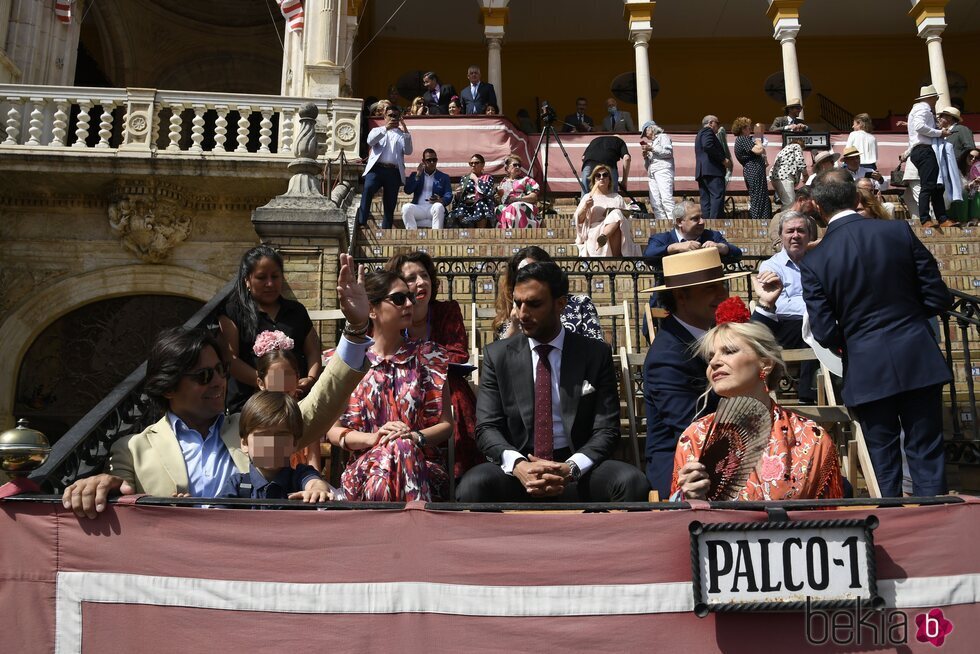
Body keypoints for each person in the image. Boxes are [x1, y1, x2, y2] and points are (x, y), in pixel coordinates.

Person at [61, 254, 372, 518]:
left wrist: (356, 330)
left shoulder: (252, 426)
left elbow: (319, 405)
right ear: (168, 386)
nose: (220, 382)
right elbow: (120, 492)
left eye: (221, 370)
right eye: (203, 376)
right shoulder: (132, 449)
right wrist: (101, 483)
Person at [800, 169, 953, 497]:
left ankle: (891, 536)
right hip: (916, 353)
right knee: (926, 452)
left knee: (881, 462)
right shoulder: (898, 231)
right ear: (857, 198)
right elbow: (938, 296)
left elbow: (825, 332)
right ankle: (940, 531)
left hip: (867, 364)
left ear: (817, 207)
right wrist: (909, 320)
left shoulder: (816, 260)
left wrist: (858, 340)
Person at [456, 261, 650, 502]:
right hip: (519, 470)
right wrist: (518, 465)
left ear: (560, 304)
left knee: (631, 483)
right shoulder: (498, 356)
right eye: (518, 303)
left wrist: (570, 468)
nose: (522, 314)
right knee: (471, 487)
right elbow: (486, 428)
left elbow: (607, 429)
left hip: (576, 469)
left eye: (534, 304)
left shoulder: (594, 354)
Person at [642, 248, 783, 498]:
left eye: (722, 286)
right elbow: (694, 427)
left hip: (743, 443)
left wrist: (764, 307)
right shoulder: (667, 356)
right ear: (681, 296)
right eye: (711, 288)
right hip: (691, 462)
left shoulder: (712, 331)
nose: (723, 294)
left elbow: (752, 350)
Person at [671, 315, 844, 501]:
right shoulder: (695, 437)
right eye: (711, 356)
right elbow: (682, 522)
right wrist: (688, 497)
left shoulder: (810, 436)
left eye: (729, 351)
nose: (714, 363)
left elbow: (828, 519)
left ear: (766, 363)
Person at [325, 270, 454, 501]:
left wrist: (414, 438)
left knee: (402, 447)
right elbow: (333, 431)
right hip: (365, 468)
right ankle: (414, 528)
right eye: (398, 299)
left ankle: (378, 532)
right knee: (394, 452)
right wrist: (374, 439)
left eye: (410, 298)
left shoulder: (429, 357)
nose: (408, 303)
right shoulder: (349, 361)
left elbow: (446, 425)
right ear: (371, 309)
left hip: (422, 467)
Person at [384, 251, 480, 478]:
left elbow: (458, 353)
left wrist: (416, 360)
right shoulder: (389, 316)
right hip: (401, 384)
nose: (420, 283)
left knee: (454, 395)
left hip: (444, 382)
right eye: (411, 278)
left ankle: (460, 474)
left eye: (424, 276)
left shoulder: (447, 311)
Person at [218, 245, 322, 413]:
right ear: (247, 280)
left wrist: (311, 378)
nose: (269, 283)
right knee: (265, 440)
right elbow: (231, 359)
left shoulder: (297, 311)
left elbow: (313, 351)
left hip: (295, 403)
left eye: (275, 276)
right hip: (250, 406)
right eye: (261, 277)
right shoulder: (233, 313)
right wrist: (268, 384)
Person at [220, 391, 333, 502]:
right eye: (262, 436)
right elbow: (216, 516)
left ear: (294, 443)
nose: (271, 444)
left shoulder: (300, 476)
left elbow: (314, 482)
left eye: (281, 436)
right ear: (245, 444)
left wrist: (317, 490)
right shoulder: (237, 485)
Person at [758, 211, 820, 404]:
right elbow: (781, 305)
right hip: (784, 328)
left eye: (801, 231)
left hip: (812, 323)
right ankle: (807, 395)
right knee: (813, 324)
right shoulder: (771, 266)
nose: (795, 235)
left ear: (809, 236)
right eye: (790, 231)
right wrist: (816, 306)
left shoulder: (819, 263)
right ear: (781, 236)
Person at [493, 246, 602, 341]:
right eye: (521, 275)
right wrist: (514, 325)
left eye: (534, 271)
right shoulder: (513, 310)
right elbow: (499, 357)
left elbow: (595, 348)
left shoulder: (580, 304)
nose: (528, 279)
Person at [253, 329, 320, 470]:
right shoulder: (256, 417)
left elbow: (314, 463)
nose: (282, 383)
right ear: (261, 383)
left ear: (297, 378)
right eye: (275, 376)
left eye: (288, 375)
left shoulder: (307, 414)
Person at [357, 104, 412, 228]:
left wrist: (405, 128)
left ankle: (386, 228)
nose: (393, 118)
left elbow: (408, 151)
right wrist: (385, 128)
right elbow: (370, 141)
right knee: (368, 189)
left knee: (390, 202)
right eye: (390, 115)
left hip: (393, 171)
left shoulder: (402, 134)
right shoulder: (378, 130)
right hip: (376, 169)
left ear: (400, 118)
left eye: (396, 116)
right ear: (385, 117)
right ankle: (362, 222)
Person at [573, 165, 643, 257]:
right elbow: (579, 220)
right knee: (616, 215)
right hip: (596, 231)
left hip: (617, 231)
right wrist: (586, 207)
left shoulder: (617, 197)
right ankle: (611, 250)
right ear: (594, 180)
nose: (601, 178)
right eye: (598, 176)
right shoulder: (588, 197)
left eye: (605, 175)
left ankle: (604, 237)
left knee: (617, 215)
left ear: (609, 179)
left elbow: (626, 218)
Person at [907, 84, 952, 230]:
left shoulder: (919, 109)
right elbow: (919, 127)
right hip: (924, 150)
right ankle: (926, 218)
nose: (937, 100)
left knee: (936, 186)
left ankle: (941, 217)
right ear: (932, 97)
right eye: (936, 97)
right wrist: (940, 133)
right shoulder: (923, 109)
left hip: (922, 150)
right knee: (929, 186)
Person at [643, 200, 742, 264]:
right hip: (671, 295)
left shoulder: (712, 236)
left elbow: (738, 255)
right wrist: (674, 247)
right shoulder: (661, 239)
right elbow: (648, 256)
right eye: (695, 219)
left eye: (701, 217)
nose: (702, 222)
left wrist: (721, 247)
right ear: (679, 222)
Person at [401, 148, 452, 230]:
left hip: (433, 208)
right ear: (423, 161)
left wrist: (441, 200)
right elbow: (407, 190)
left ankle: (437, 237)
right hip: (419, 208)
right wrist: (417, 175)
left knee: (438, 206)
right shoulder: (415, 175)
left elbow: (448, 194)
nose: (432, 162)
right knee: (406, 208)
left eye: (434, 160)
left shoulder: (444, 177)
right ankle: (412, 236)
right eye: (429, 160)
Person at [732, 116, 771, 220]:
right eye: (749, 128)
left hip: (753, 169)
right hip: (753, 169)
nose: (750, 130)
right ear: (743, 129)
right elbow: (758, 150)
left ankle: (762, 219)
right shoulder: (743, 139)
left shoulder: (742, 140)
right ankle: (759, 220)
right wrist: (759, 142)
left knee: (760, 195)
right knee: (758, 196)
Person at [448, 153, 496, 228]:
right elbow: (459, 198)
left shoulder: (488, 178)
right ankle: (469, 234)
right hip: (467, 204)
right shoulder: (465, 178)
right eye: (471, 163)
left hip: (481, 205)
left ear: (483, 164)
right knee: (460, 210)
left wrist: (475, 179)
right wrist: (458, 195)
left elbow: (487, 192)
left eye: (476, 163)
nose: (473, 165)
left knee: (481, 206)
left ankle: (481, 234)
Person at [694, 115, 729, 219]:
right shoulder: (707, 132)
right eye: (717, 123)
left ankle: (707, 224)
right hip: (712, 171)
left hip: (702, 171)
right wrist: (723, 159)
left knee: (706, 200)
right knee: (717, 196)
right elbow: (708, 145)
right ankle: (715, 223)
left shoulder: (699, 134)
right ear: (710, 123)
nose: (718, 126)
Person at [640, 120, 674, 220]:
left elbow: (668, 152)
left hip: (663, 169)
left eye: (646, 132)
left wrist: (651, 149)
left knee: (666, 199)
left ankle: (674, 225)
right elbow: (647, 167)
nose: (645, 135)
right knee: (655, 202)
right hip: (652, 173)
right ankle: (663, 226)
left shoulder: (663, 137)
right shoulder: (653, 143)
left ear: (651, 128)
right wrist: (646, 157)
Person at [495, 154, 541, 228]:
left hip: (523, 205)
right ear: (507, 168)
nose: (517, 167)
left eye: (519, 165)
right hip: (506, 206)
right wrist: (498, 198)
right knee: (499, 208)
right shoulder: (503, 182)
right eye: (515, 165)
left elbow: (534, 197)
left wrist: (517, 199)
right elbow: (502, 200)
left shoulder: (526, 180)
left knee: (515, 206)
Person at [767, 185, 817, 252]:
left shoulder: (812, 221)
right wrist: (811, 246)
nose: (815, 208)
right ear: (801, 200)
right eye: (811, 203)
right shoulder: (779, 218)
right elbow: (779, 247)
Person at [769, 141, 809, 206]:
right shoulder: (796, 146)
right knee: (790, 204)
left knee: (786, 203)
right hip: (785, 177)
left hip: (776, 178)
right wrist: (806, 175)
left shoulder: (783, 151)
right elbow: (800, 162)